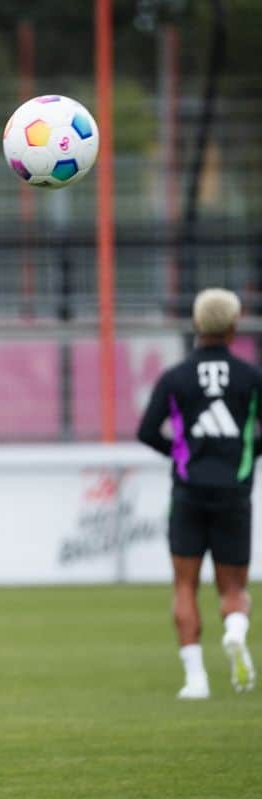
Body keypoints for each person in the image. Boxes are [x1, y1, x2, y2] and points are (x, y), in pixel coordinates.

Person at [137, 287, 262, 701]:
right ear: (232, 326)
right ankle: (234, 631)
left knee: (185, 586)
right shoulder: (250, 377)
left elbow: (146, 431)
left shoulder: (175, 378)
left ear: (196, 325)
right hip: (234, 492)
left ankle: (195, 681)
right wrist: (246, 454)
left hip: (188, 492)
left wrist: (179, 454)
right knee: (232, 590)